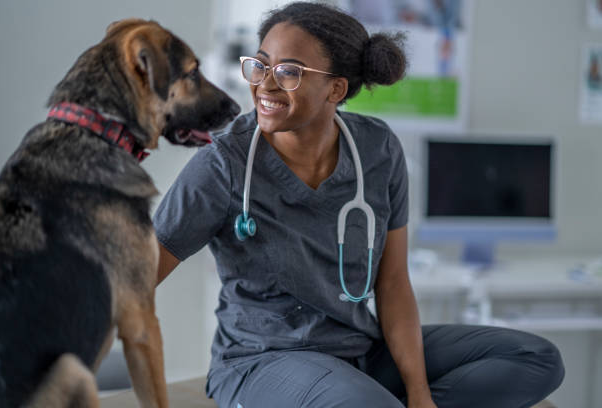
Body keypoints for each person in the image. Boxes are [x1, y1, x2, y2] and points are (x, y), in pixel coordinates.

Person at [153, 2, 564, 407]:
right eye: (260, 65)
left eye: (289, 72)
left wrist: (420, 394)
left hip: (357, 349)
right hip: (264, 359)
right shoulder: (223, 164)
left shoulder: (377, 149)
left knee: (535, 358)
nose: (265, 84)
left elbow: (393, 284)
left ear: (337, 88)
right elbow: (138, 273)